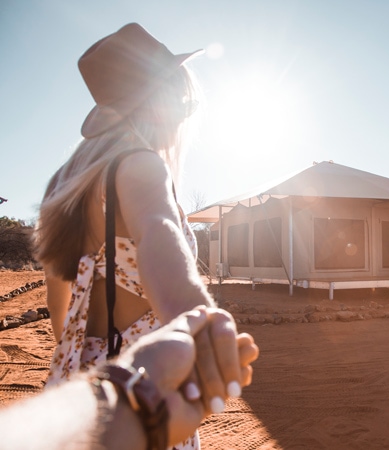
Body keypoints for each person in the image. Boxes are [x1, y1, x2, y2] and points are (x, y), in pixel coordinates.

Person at [32, 23, 258, 449]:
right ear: (161, 101)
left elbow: (58, 302)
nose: (184, 114)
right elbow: (160, 233)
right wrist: (195, 319)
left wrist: (81, 353)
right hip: (143, 385)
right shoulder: (140, 165)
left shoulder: (66, 186)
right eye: (184, 100)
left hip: (76, 386)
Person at [0, 306, 258, 450]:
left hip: (92, 370)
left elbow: (63, 322)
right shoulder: (152, 212)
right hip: (158, 376)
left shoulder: (61, 215)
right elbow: (185, 301)